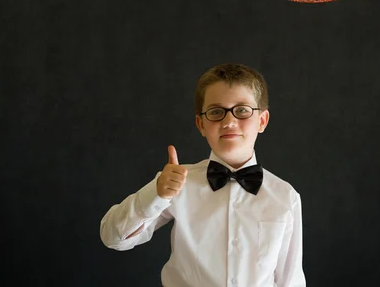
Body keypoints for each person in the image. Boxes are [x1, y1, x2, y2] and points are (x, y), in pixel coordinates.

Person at [100, 63, 306, 287]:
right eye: (216, 112)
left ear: (262, 121)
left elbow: (290, 280)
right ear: (201, 124)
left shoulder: (285, 196)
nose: (229, 122)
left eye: (242, 110)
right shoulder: (177, 182)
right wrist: (156, 193)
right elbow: (112, 238)